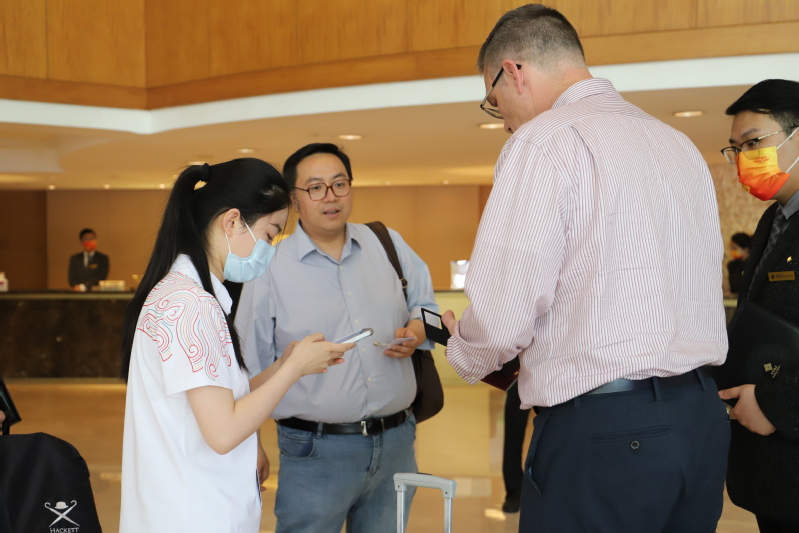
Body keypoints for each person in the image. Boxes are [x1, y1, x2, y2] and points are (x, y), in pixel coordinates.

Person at [440, 5, 730, 532]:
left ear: (514, 72)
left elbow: (504, 316)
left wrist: (465, 349)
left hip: (605, 429)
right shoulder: (678, 144)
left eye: (494, 100)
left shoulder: (542, 141)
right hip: (701, 420)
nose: (502, 119)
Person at [118, 159, 353, 533]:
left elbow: (219, 397)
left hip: (188, 507)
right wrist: (293, 370)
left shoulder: (187, 295)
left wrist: (284, 365)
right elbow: (223, 431)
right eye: (270, 234)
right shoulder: (190, 305)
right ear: (231, 222)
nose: (269, 248)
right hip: (194, 515)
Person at [235, 143, 437, 533]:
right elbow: (248, 369)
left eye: (339, 184)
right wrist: (252, 445)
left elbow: (426, 305)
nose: (330, 196)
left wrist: (416, 330)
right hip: (314, 450)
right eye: (315, 188)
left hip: (397, 442)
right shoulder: (269, 268)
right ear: (294, 199)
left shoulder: (386, 243)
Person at [718, 79, 799, 533]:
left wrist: (773, 403)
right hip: (775, 472)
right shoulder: (775, 217)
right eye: (736, 149)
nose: (743, 159)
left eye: (753, 143)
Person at [501, 381, 532, 514]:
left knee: (555, 431)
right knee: (514, 431)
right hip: (522, 376)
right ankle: (514, 491)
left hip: (558, 377)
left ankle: (552, 488)